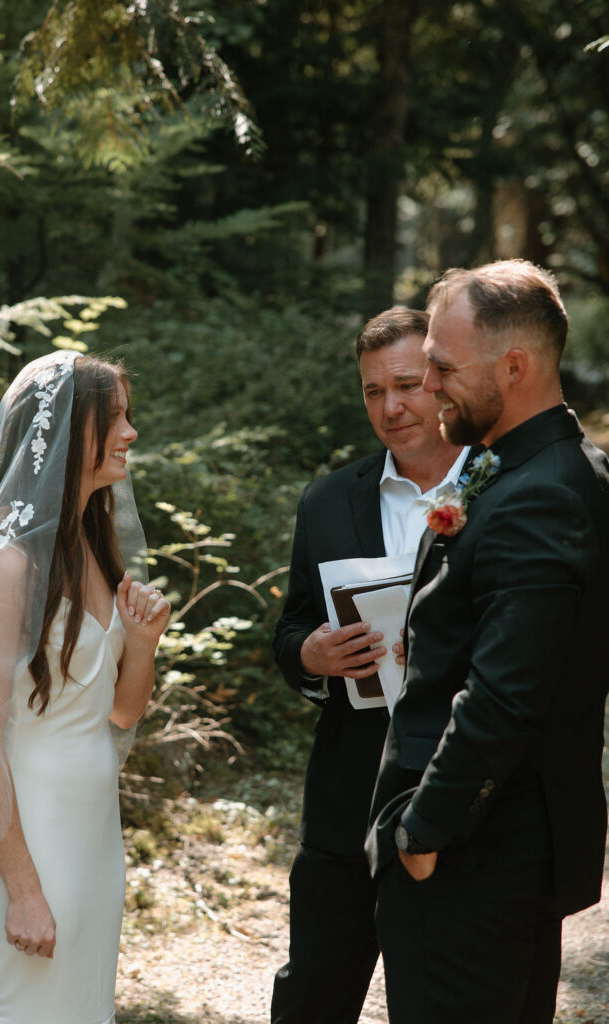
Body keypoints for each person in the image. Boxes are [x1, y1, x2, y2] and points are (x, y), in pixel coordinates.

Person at [366, 260, 609, 1024]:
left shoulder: (537, 492)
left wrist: (423, 830)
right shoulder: (556, 468)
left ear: (514, 366)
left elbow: (506, 692)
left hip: (479, 854)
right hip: (512, 845)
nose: (428, 384)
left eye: (441, 366)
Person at [0, 351, 170, 1023]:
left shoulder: (89, 545)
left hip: (90, 829)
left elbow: (120, 713)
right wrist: (23, 889)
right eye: (114, 418)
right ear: (64, 431)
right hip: (25, 834)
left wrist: (141, 645)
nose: (130, 433)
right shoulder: (4, 566)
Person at [271, 307, 469, 1023]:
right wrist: (309, 654)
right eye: (370, 391)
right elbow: (290, 627)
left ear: (443, 380)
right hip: (346, 787)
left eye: (407, 384)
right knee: (314, 992)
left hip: (462, 781)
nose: (390, 407)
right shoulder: (329, 498)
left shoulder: (503, 487)